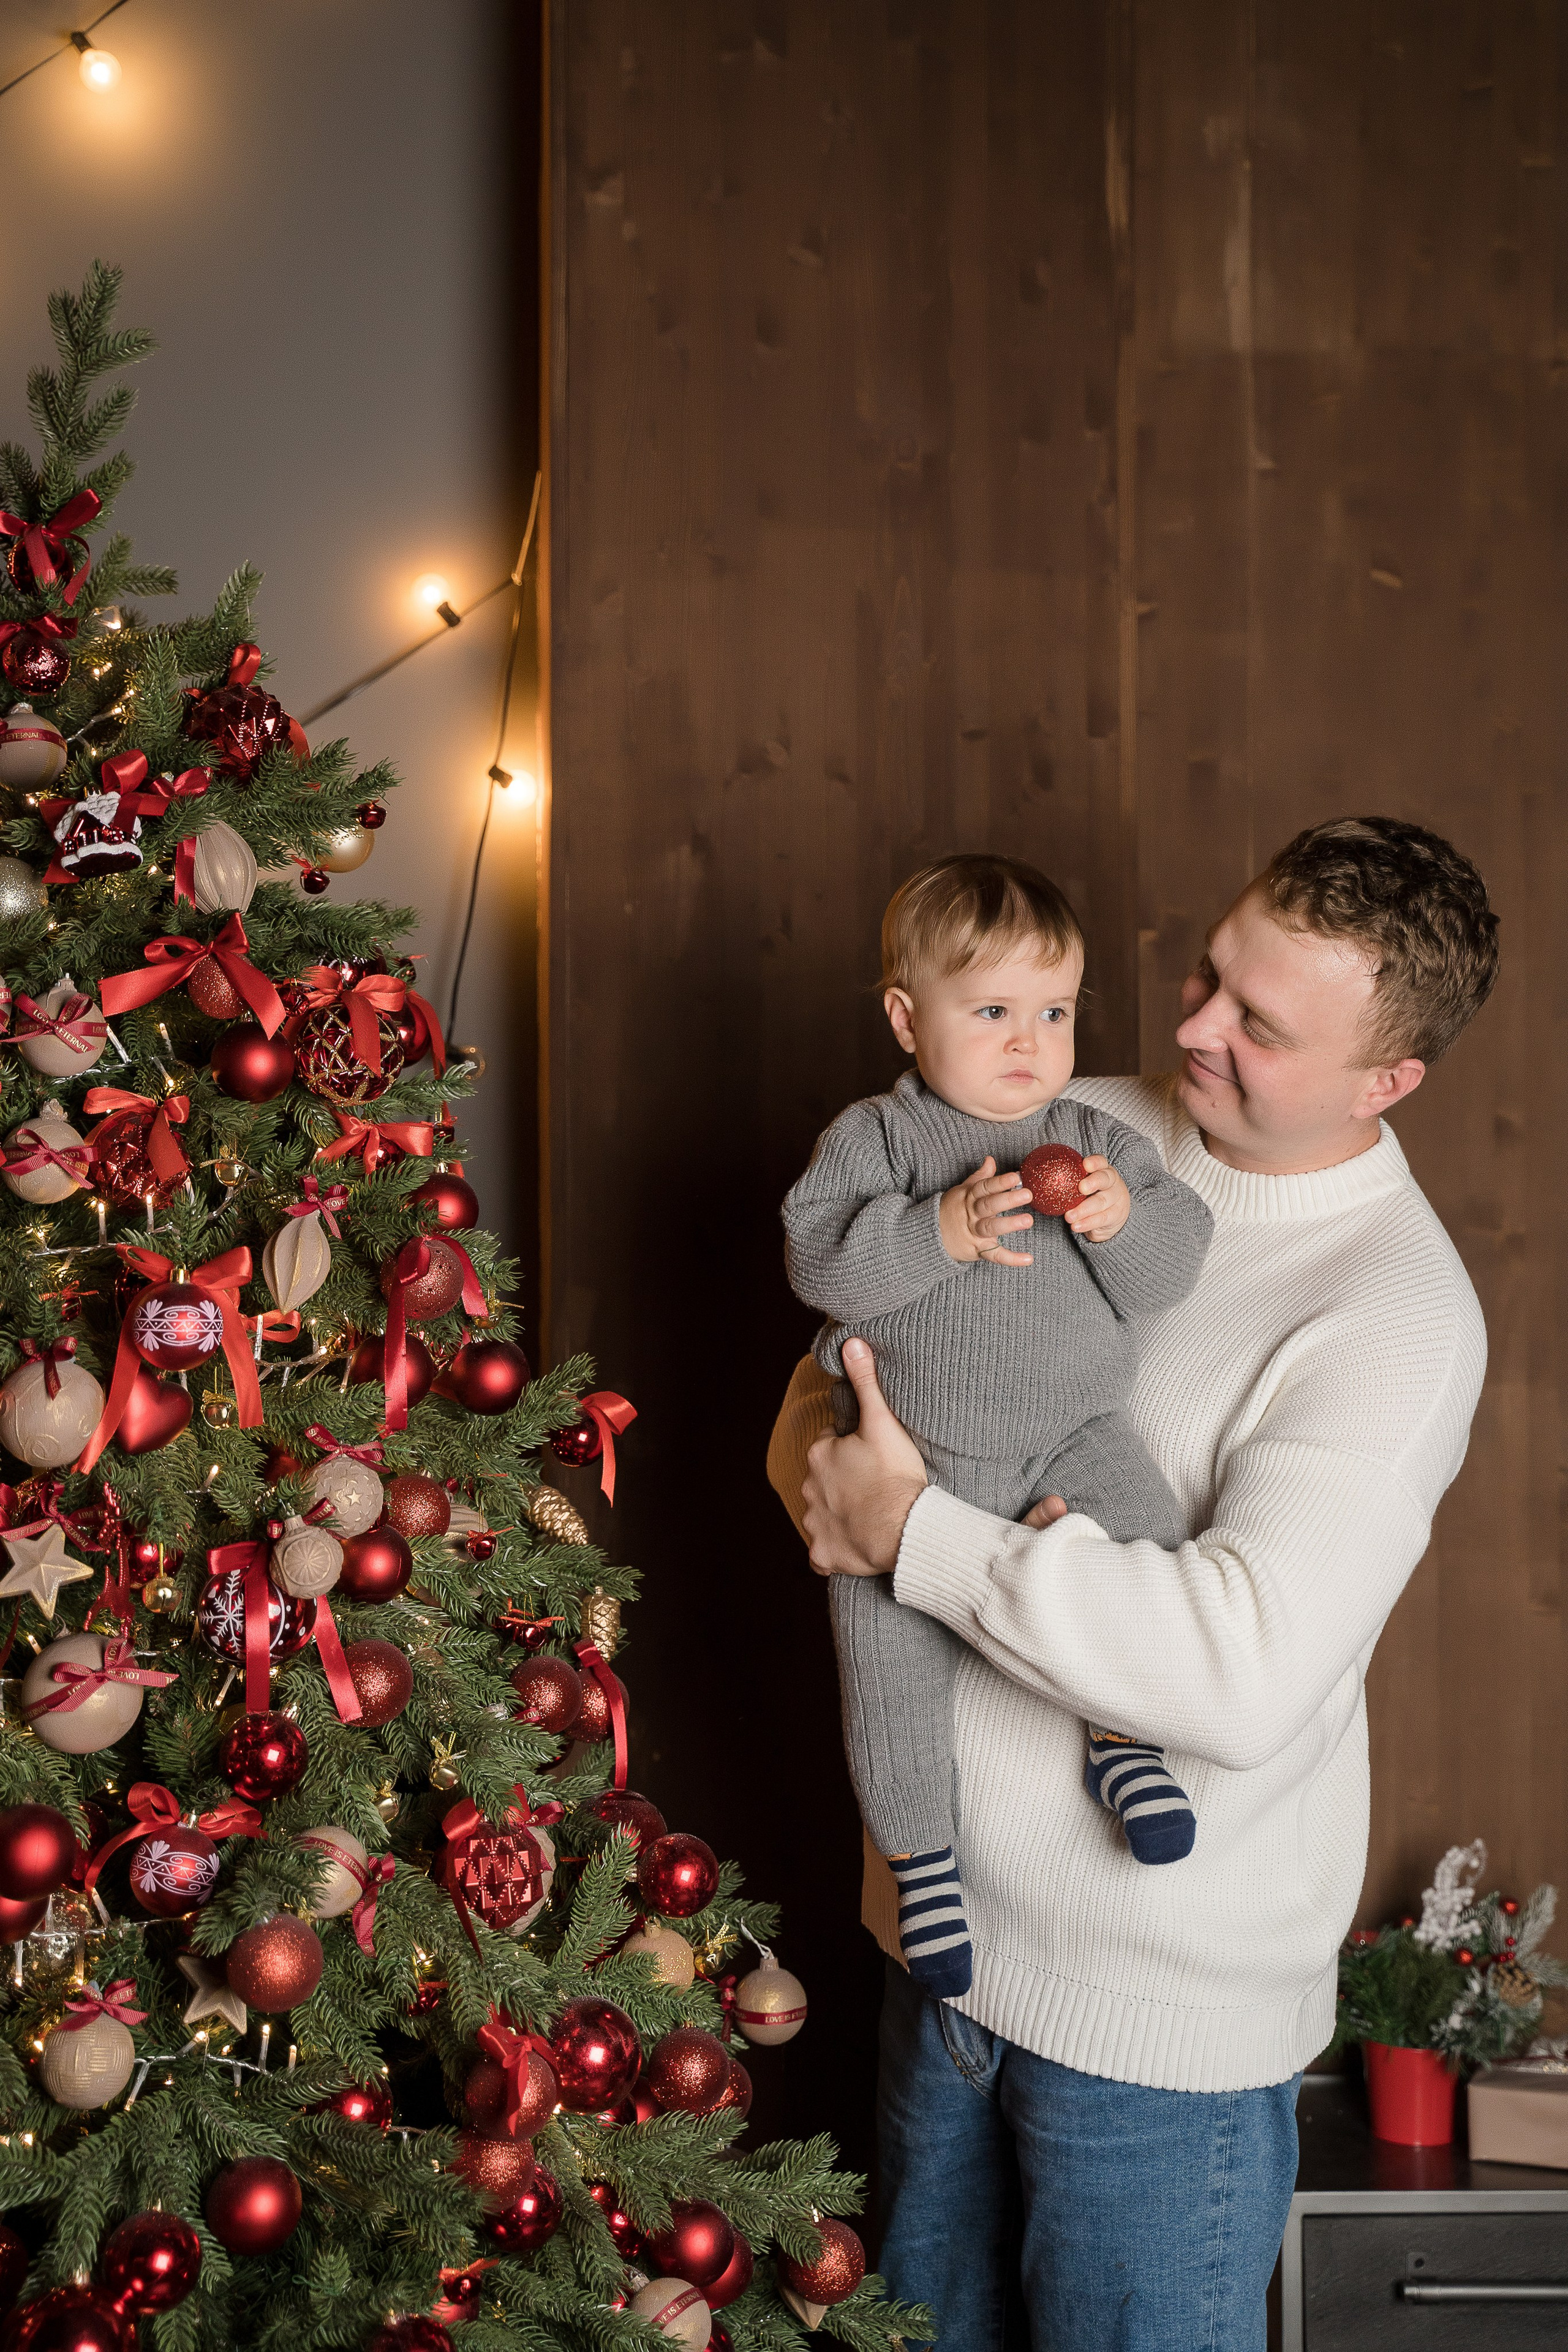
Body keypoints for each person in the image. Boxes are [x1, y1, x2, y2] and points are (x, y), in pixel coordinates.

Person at [767, 816, 1498, 2352]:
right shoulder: (1073, 1113)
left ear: (1386, 1081)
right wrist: (825, 1483)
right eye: (1206, 975)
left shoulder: (1396, 1319)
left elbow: (1238, 1671)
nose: (1186, 1032)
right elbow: (842, 1382)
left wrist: (914, 1537)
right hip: (944, 1951)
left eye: (1255, 1023)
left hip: (1152, 2035)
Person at [782, 855, 1215, 2005]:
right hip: (915, 1454)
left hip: (1072, 1430)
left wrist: (1124, 1222)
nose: (1030, 1042)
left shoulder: (1097, 1139)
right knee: (885, 1664)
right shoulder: (879, 1139)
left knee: (1149, 1528)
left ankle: (1127, 1745)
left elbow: (1171, 1270)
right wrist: (937, 1230)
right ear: (905, 1018)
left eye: (1055, 1012)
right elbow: (817, 1257)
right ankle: (922, 1860)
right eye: (990, 1012)